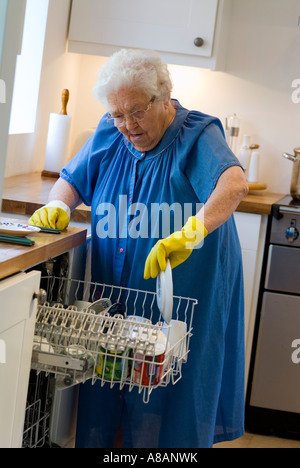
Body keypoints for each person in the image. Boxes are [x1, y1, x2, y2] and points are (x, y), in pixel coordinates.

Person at [29, 48, 248, 448]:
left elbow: (233, 185)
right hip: (118, 295)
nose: (127, 124)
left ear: (165, 97)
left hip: (184, 296)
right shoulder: (110, 130)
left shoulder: (197, 135)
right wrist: (59, 204)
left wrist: (190, 233)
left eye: (137, 111)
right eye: (117, 113)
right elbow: (72, 178)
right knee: (110, 381)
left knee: (173, 393)